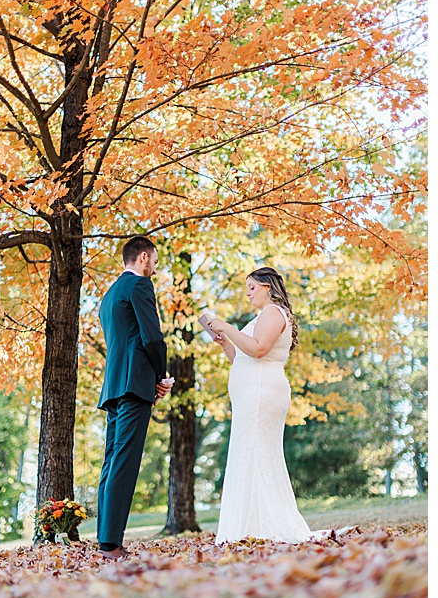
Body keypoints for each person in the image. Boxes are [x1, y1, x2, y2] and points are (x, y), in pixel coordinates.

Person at [199, 268, 317, 543]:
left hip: (263, 393)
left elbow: (259, 349)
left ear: (267, 286)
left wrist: (227, 326)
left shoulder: (273, 313)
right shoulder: (260, 318)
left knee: (258, 452)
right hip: (250, 394)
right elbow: (242, 358)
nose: (248, 292)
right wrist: (226, 342)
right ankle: (248, 524)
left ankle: (264, 526)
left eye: (252, 287)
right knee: (247, 454)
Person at [93, 236, 173, 557]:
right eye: (153, 260)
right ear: (142, 258)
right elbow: (152, 336)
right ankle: (111, 544)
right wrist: (160, 377)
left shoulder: (109, 295)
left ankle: (105, 539)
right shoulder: (139, 286)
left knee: (112, 461)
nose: (154, 267)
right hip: (134, 385)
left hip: (114, 386)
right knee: (124, 462)